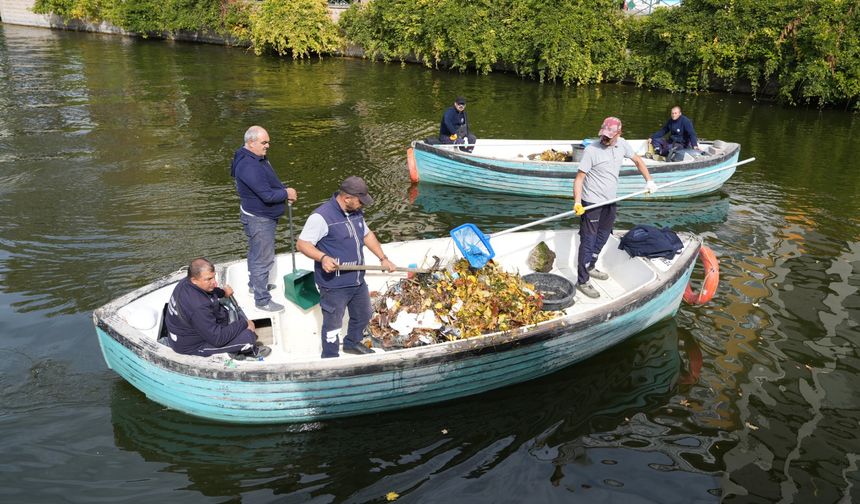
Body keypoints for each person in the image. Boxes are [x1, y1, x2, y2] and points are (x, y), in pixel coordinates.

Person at [296, 176, 397, 358]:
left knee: (364, 314)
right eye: (360, 201)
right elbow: (302, 244)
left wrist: (383, 258)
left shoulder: (356, 212)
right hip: (334, 285)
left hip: (357, 279)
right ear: (347, 198)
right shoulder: (321, 217)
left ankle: (352, 343)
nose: (362, 205)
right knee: (333, 324)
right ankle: (330, 356)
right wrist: (322, 257)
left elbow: (367, 235)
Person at [572, 117, 658, 299]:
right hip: (591, 203)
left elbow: (638, 161)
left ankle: (591, 265)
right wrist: (577, 202)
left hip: (610, 201)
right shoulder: (592, 150)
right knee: (588, 241)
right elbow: (579, 178)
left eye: (609, 136)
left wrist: (649, 181)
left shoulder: (623, 145)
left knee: (604, 236)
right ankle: (582, 280)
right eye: (603, 135)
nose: (604, 138)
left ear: (619, 134)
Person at [230, 125, 298, 312]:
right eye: (264, 142)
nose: (268, 145)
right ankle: (262, 300)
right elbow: (267, 196)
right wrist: (287, 193)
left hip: (255, 214)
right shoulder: (248, 165)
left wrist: (282, 190)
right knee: (263, 258)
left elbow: (267, 184)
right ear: (251, 143)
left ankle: (254, 285)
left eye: (268, 142)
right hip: (259, 219)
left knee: (256, 252)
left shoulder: (252, 156)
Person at [164, 257, 270, 359]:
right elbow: (217, 339)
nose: (215, 282)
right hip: (191, 344)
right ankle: (249, 351)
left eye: (214, 277)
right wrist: (245, 323)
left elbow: (210, 290)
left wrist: (223, 292)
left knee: (229, 316)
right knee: (248, 337)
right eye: (209, 279)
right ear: (194, 280)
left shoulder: (186, 283)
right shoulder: (198, 307)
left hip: (192, 329)